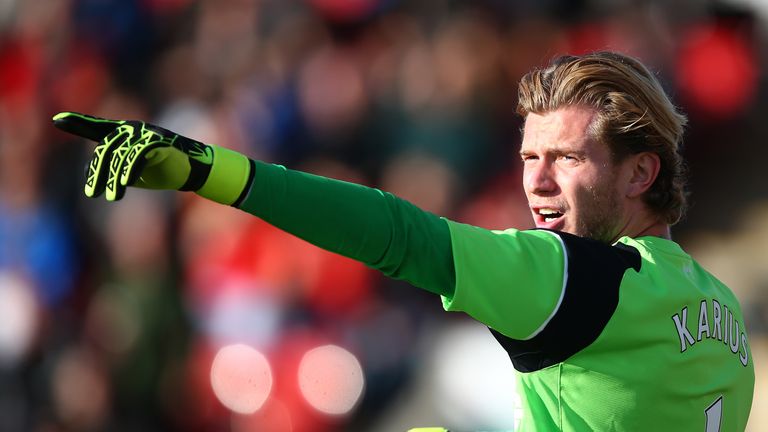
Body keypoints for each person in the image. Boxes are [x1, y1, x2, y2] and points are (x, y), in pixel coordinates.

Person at [52, 51, 754, 431]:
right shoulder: (724, 318)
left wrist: (216, 172)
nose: (536, 183)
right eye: (526, 157)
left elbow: (399, 233)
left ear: (641, 172)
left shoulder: (581, 279)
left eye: (567, 158)